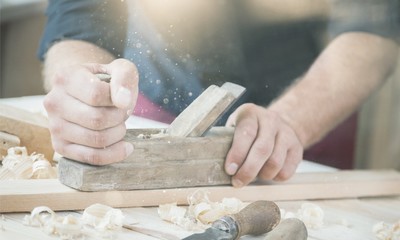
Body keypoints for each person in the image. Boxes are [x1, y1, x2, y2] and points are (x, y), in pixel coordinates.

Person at [38, 0, 399, 188]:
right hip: (149, 112)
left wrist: (291, 122)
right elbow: (78, 18)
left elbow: (374, 28)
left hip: (304, 125)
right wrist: (87, 89)